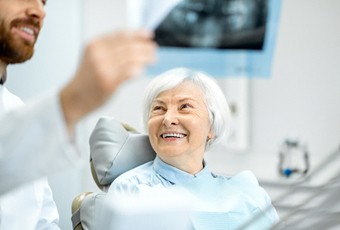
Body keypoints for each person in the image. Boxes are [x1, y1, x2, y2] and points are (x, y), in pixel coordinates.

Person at [0, 0, 156, 229]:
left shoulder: (14, 106)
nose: (39, 11)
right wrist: (72, 101)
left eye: (44, 2)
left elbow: (44, 220)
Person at [108, 67, 279, 229]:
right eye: (159, 108)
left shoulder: (247, 192)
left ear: (211, 127)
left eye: (185, 107)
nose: (168, 119)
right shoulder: (131, 190)